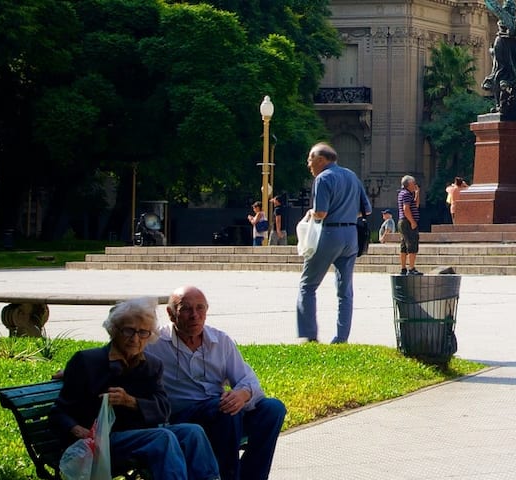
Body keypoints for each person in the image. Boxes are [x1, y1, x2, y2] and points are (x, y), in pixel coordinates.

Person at [52, 297, 222, 480]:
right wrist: (77, 430)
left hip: (139, 436)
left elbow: (163, 411)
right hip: (101, 441)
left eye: (143, 333)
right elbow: (58, 412)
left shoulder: (151, 366)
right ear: (114, 330)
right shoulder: (87, 361)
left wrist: (130, 401)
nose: (135, 339)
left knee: (193, 432)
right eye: (128, 331)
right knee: (163, 438)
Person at [154, 286, 288, 480]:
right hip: (184, 417)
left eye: (200, 308)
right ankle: (227, 476)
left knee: (273, 409)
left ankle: (252, 476)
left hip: (221, 414)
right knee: (225, 410)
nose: (195, 315)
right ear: (171, 313)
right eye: (186, 309)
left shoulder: (220, 340)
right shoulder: (155, 343)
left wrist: (243, 394)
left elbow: (248, 380)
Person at [296, 143, 369, 344]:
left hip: (329, 234)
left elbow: (320, 213)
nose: (308, 164)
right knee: (345, 291)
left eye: (310, 159)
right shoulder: (352, 176)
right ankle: (341, 338)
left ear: (321, 159)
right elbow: (366, 209)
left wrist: (311, 213)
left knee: (307, 285)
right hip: (351, 236)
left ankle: (309, 336)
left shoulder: (323, 178)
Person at [396, 176, 422, 276]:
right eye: (413, 183)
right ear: (408, 184)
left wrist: (417, 193)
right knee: (412, 244)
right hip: (407, 222)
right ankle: (411, 268)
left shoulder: (406, 193)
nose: (415, 184)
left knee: (404, 245)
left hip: (404, 222)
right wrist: (412, 221)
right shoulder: (406, 194)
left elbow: (416, 205)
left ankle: (403, 268)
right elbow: (406, 209)